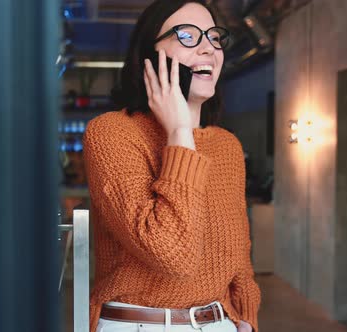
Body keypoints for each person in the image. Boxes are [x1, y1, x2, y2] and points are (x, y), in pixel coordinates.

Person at [83, 0, 261, 331]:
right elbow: (172, 255)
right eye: (187, 36)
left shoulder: (227, 146)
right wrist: (179, 132)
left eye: (214, 37)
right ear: (150, 55)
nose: (208, 48)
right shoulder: (111, 133)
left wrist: (247, 318)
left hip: (220, 323)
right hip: (137, 324)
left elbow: (239, 258)